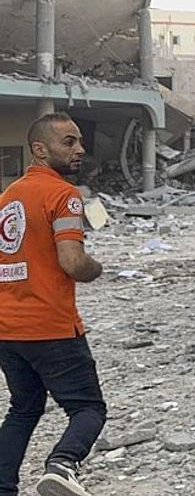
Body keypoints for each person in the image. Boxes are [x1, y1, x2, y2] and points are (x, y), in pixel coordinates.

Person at [0, 113, 105, 496]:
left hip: (7, 329)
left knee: (24, 408)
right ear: (39, 149)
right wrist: (96, 269)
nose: (80, 149)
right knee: (89, 409)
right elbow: (73, 262)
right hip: (50, 325)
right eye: (69, 142)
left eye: (79, 141)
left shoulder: (7, 198)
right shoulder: (63, 196)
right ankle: (62, 465)